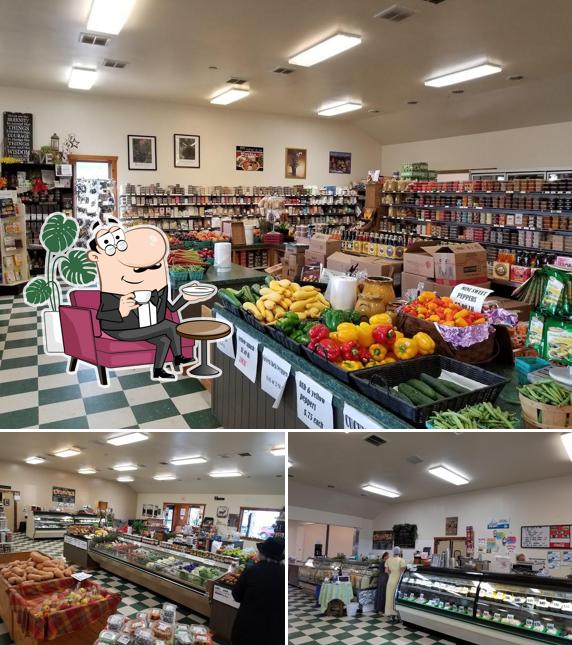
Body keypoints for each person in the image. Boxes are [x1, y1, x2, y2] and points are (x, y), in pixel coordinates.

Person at [87, 220, 212, 382]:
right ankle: (178, 358)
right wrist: (121, 311)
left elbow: (172, 308)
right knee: (169, 326)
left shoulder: (155, 291)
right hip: (120, 329)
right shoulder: (115, 293)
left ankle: (159, 370)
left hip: (144, 326)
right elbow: (103, 316)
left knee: (163, 339)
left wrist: (186, 298)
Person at [231, 536, 285, 645]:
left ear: (262, 554)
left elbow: (236, 595)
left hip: (248, 628)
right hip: (275, 631)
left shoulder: (251, 571)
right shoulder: (284, 574)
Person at [385, 546, 406, 623]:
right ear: (399, 552)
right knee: (395, 598)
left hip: (390, 580)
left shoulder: (388, 560)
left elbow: (386, 571)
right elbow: (402, 571)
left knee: (389, 598)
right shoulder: (401, 560)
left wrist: (391, 574)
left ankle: (390, 615)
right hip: (397, 581)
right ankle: (397, 615)